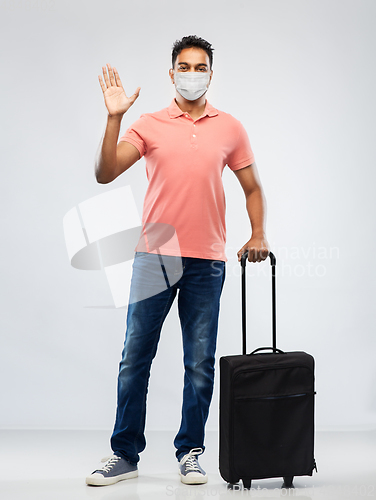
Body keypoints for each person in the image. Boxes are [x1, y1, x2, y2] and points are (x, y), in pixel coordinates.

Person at [86, 35, 270, 487]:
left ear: (211, 73)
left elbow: (252, 188)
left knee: (199, 363)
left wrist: (259, 232)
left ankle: (190, 451)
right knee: (135, 359)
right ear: (172, 74)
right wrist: (114, 119)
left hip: (207, 261)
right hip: (154, 257)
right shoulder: (149, 124)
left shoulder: (230, 128)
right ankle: (124, 454)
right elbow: (105, 172)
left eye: (200, 66)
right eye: (184, 67)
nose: (192, 73)